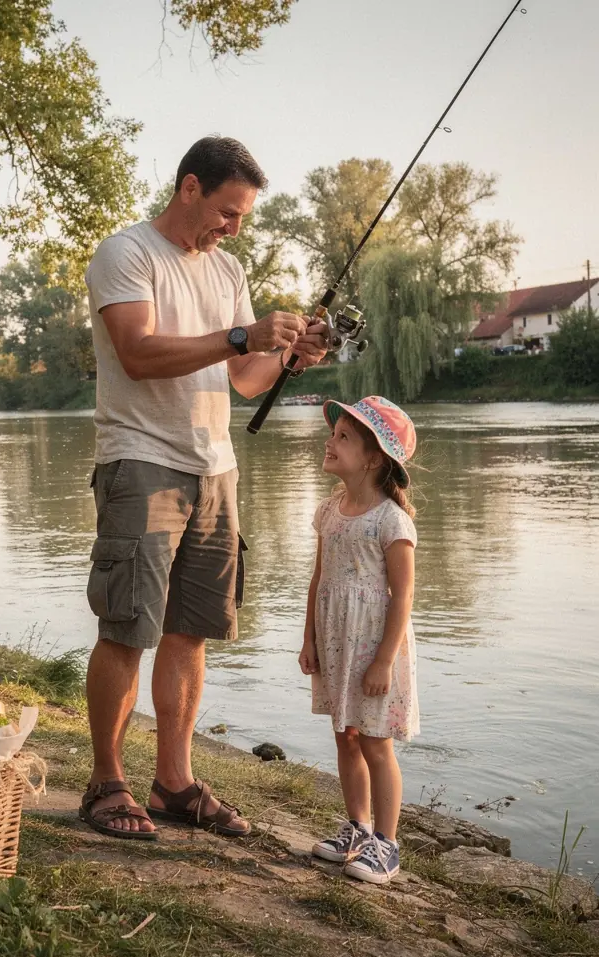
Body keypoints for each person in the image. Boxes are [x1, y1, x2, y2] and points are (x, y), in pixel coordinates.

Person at [79, 136, 330, 840]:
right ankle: (105, 783)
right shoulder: (125, 253)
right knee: (128, 627)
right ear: (189, 188)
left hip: (215, 468)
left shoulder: (228, 270)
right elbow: (138, 352)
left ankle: (174, 784)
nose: (234, 227)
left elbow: (245, 379)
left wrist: (287, 358)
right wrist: (241, 337)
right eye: (227, 211)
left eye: (243, 216)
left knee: (191, 633)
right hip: (142, 460)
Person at [300, 396, 419, 883]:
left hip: (373, 649)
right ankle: (358, 828)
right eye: (335, 433)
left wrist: (384, 661)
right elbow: (318, 578)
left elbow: (403, 596)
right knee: (344, 737)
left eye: (344, 436)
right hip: (335, 644)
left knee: (374, 743)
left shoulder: (391, 520)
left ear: (374, 458)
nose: (330, 441)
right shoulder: (329, 510)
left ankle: (387, 845)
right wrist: (308, 639)